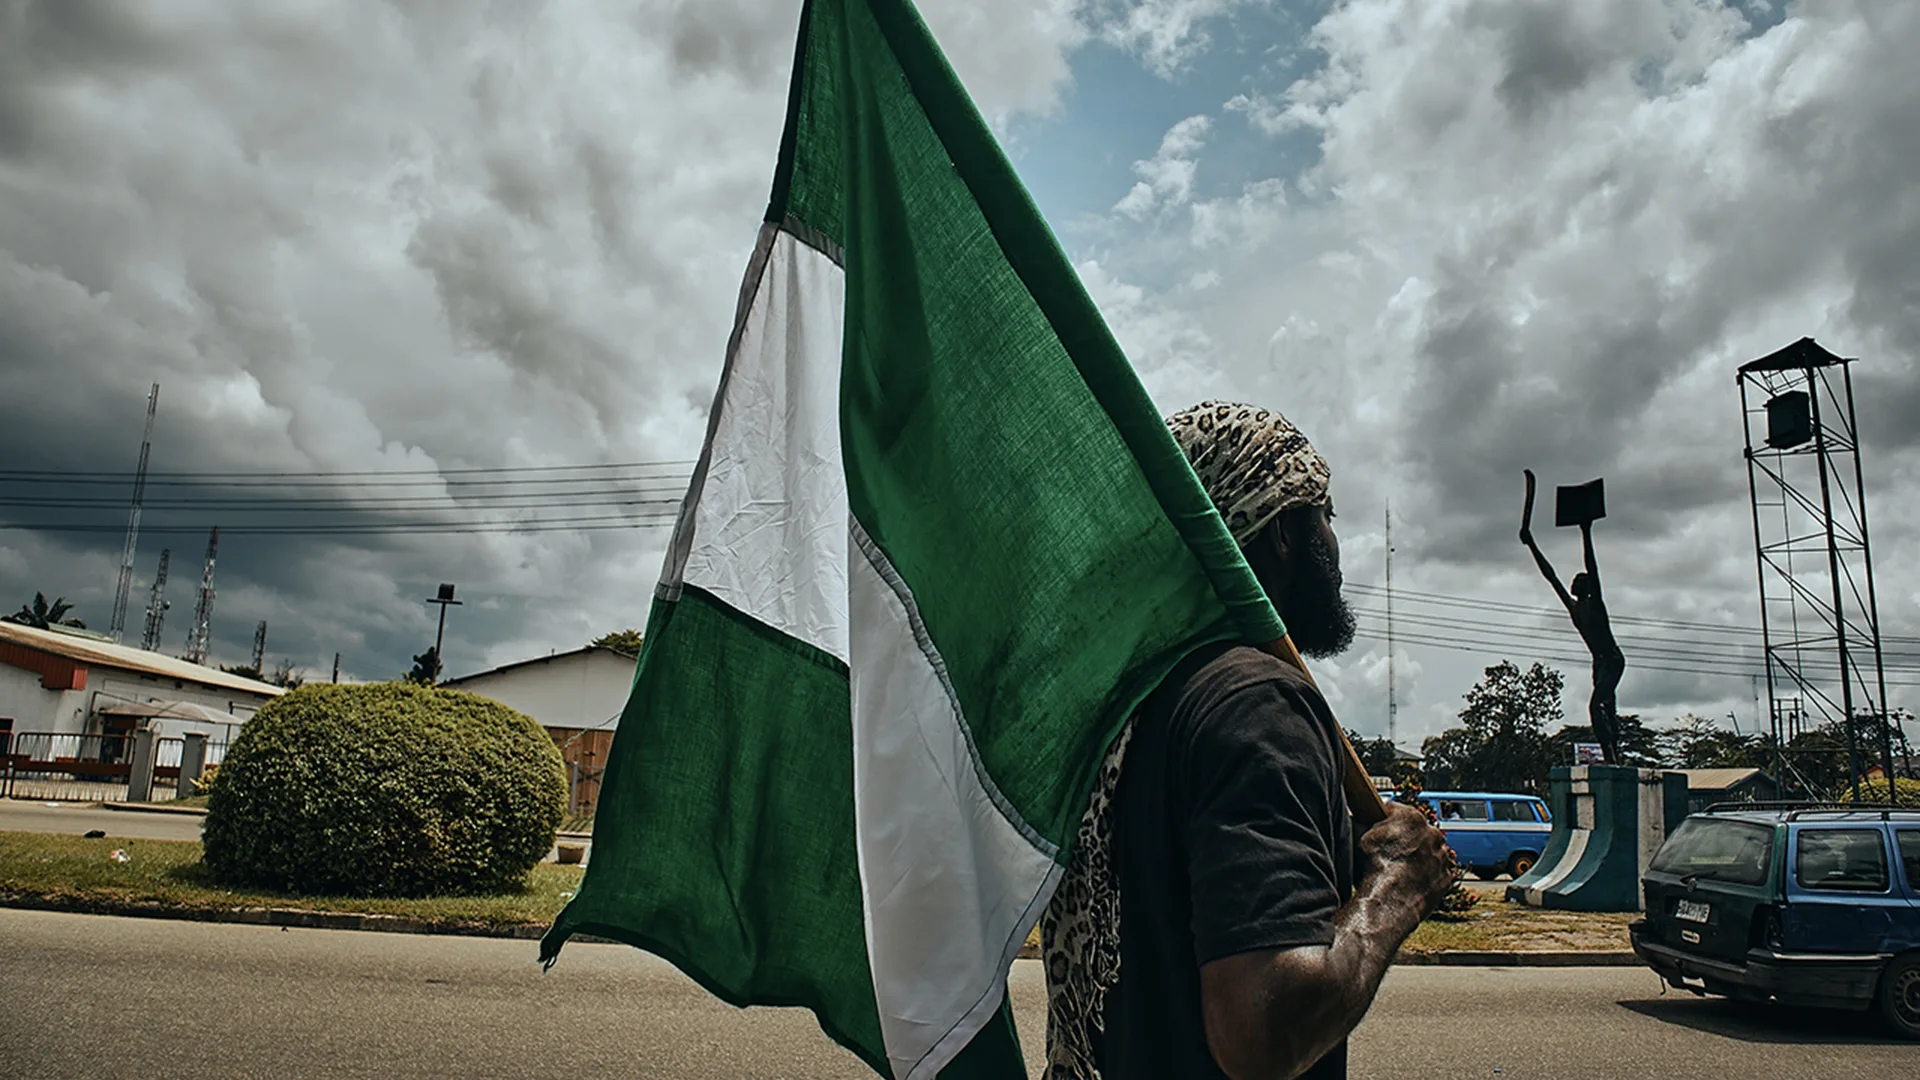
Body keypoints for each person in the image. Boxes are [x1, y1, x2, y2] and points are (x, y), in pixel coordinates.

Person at [1041, 402, 1457, 1080]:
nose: (1333, 540)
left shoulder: (1130, 704)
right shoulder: (1255, 704)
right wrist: (1395, 888)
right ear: (1283, 528)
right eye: (1324, 513)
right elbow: (1262, 1030)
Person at [1518, 469, 1626, 764]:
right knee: (1608, 706)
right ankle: (1614, 752)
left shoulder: (1596, 604)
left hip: (1613, 659)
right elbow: (1550, 575)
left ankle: (1611, 757)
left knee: (1597, 706)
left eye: (1579, 580)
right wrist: (1531, 545)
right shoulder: (1574, 607)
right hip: (1598, 662)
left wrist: (1585, 531)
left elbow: (1591, 564)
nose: (1573, 582)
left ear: (1587, 586)